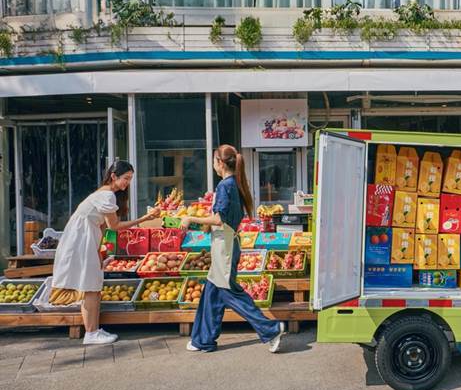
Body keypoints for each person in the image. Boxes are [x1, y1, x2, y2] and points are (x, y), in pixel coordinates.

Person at [181, 144, 287, 353]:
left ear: (220, 163)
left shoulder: (225, 185)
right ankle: (203, 339)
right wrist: (206, 224)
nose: (212, 164)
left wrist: (190, 217)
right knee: (212, 293)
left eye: (213, 160)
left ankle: (271, 328)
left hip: (225, 248)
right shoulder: (233, 183)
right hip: (226, 244)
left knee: (230, 294)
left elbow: (219, 219)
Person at [51, 161, 160, 345]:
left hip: (83, 238)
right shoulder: (107, 195)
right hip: (80, 239)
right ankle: (91, 333)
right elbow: (114, 226)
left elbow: (102, 227)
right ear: (113, 176)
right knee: (91, 286)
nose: (127, 183)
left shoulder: (104, 194)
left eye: (130, 179)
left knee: (93, 284)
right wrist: (145, 218)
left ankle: (93, 330)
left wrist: (99, 251)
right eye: (126, 178)